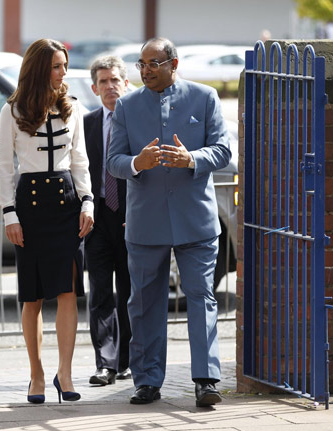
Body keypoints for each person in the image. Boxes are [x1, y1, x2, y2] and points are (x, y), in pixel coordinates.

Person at [107, 37, 231, 407]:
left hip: (196, 220)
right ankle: (146, 381)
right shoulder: (126, 106)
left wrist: (190, 158)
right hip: (146, 223)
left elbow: (223, 150)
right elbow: (113, 160)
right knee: (144, 303)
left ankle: (206, 380)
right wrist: (136, 163)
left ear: (173, 64)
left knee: (202, 298)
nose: (146, 70)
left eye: (153, 63)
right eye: (141, 64)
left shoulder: (205, 97)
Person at [0, 38, 94, 404]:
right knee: (33, 295)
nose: (63, 73)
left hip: (67, 203)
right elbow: (5, 167)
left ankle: (64, 374)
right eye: (56, 66)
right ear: (39, 68)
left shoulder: (73, 107)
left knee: (68, 291)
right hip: (31, 206)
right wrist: (9, 213)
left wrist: (88, 203)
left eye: (64, 66)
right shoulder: (13, 109)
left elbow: (81, 161)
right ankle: (36, 374)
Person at [84, 55, 132, 386]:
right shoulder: (85, 124)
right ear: (94, 88)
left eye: (115, 79)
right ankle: (105, 362)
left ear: (126, 84)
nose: (110, 85)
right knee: (100, 292)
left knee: (130, 292)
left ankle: (127, 360)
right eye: (103, 81)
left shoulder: (137, 122)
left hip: (131, 218)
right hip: (98, 218)